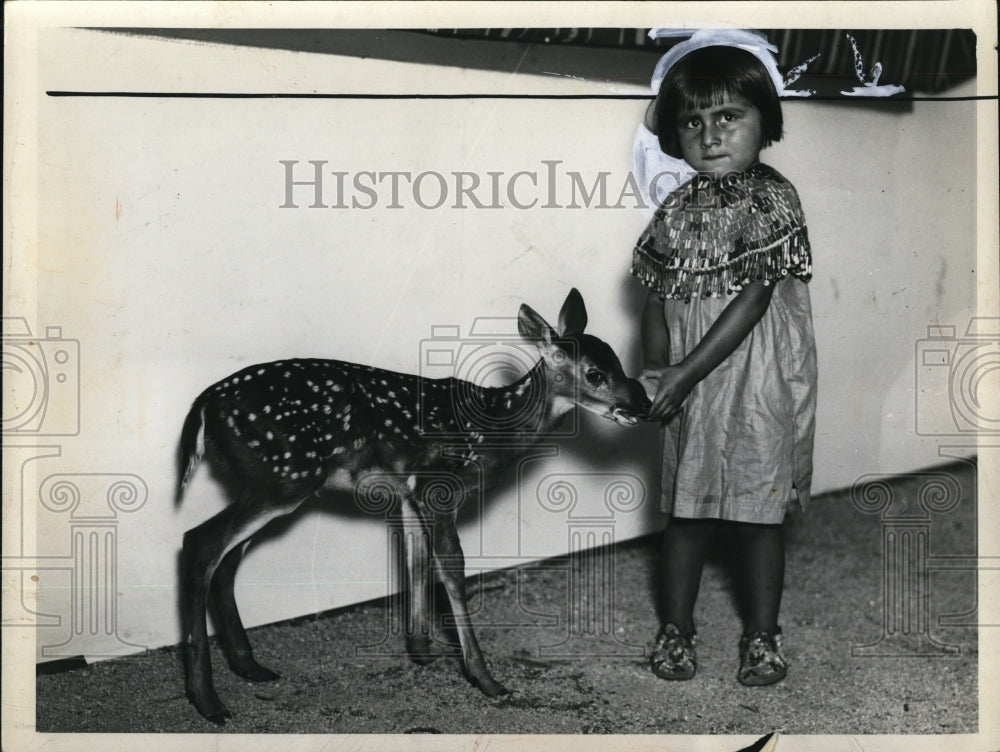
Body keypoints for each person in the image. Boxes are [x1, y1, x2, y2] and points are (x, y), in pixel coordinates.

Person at [631, 35, 817, 686]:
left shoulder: (774, 197)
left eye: (727, 117)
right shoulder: (675, 210)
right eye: (692, 122)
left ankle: (762, 635)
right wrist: (658, 367)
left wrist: (682, 372)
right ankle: (676, 629)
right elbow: (654, 298)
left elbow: (755, 300)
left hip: (755, 374)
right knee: (687, 509)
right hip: (689, 380)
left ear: (765, 120)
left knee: (756, 514)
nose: (709, 136)